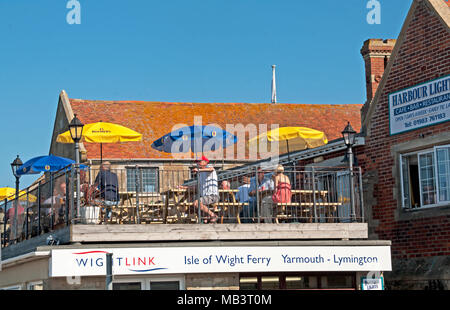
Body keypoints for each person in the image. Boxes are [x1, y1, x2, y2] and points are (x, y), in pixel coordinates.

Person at [191, 155, 219, 223]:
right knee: (192, 207)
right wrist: (183, 187)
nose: (198, 163)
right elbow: (197, 187)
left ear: (206, 162)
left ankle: (213, 215)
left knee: (196, 203)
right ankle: (206, 218)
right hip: (205, 197)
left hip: (212, 195)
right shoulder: (200, 174)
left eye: (200, 161)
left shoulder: (208, 167)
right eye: (197, 162)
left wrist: (199, 170)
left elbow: (211, 169)